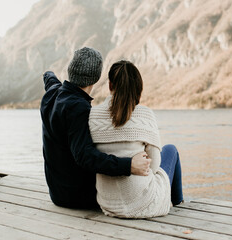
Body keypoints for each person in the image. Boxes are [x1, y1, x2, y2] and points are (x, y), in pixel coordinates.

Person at [40, 47, 151, 209]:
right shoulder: (78, 108)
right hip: (78, 197)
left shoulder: (51, 94)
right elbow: (85, 156)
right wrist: (129, 165)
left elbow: (49, 79)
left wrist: (48, 73)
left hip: (57, 193)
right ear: (96, 78)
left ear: (71, 70)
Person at [89, 60, 183, 218]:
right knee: (171, 150)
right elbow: (153, 165)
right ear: (138, 89)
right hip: (143, 203)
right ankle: (178, 202)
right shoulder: (144, 114)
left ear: (110, 85)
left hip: (109, 204)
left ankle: (173, 201)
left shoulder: (93, 115)